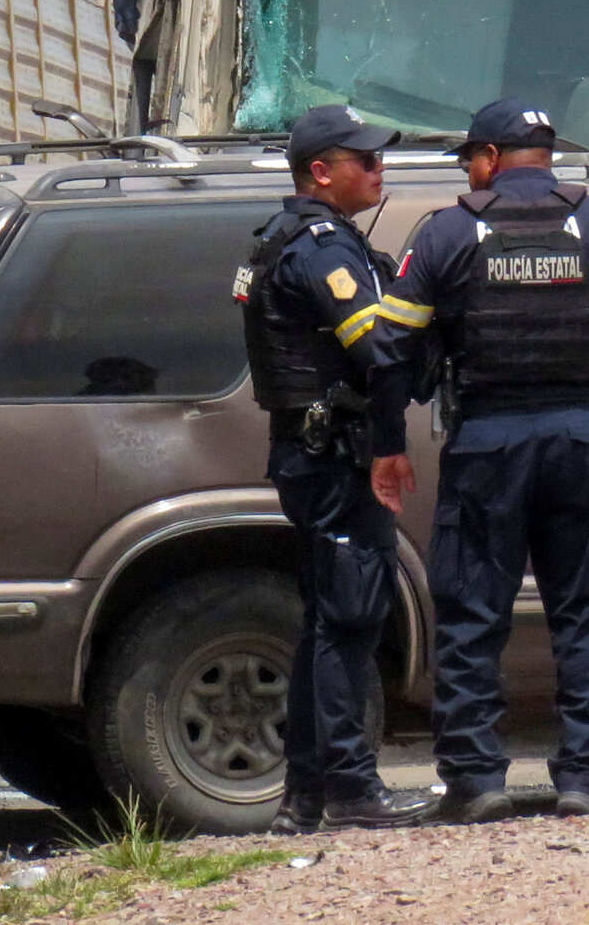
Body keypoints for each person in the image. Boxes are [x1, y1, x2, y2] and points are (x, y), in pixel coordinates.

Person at [360, 100, 589, 822]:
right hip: (584, 441)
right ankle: (588, 779)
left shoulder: (449, 231)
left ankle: (477, 782)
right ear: (545, 155)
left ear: (487, 157)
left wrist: (387, 445)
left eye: (468, 162)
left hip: (488, 444)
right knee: (586, 612)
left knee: (473, 615)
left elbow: (389, 350)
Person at [233, 105, 436, 833]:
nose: (380, 171)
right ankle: (350, 788)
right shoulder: (322, 248)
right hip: (336, 458)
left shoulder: (295, 239)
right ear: (322, 171)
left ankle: (306, 796)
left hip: (314, 454)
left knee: (328, 621)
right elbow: (379, 354)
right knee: (349, 621)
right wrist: (389, 446)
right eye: (367, 160)